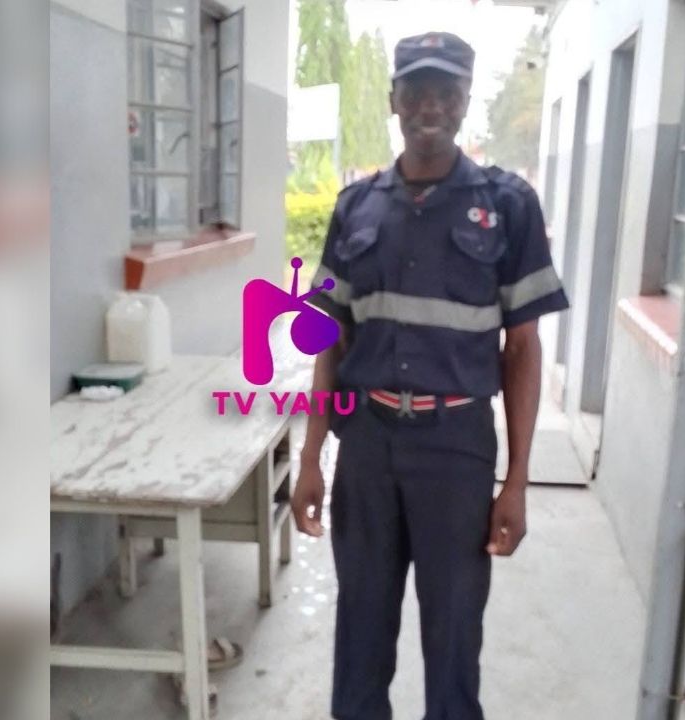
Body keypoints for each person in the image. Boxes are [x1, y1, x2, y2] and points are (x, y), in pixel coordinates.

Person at [291, 31, 569, 720]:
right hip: (368, 449)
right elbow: (331, 337)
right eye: (415, 90)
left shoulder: (508, 205)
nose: (430, 106)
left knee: (452, 642)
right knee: (361, 635)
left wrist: (516, 482)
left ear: (466, 100)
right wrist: (310, 459)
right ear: (394, 100)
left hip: (457, 449)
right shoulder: (357, 207)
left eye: (446, 91)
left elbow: (524, 348)